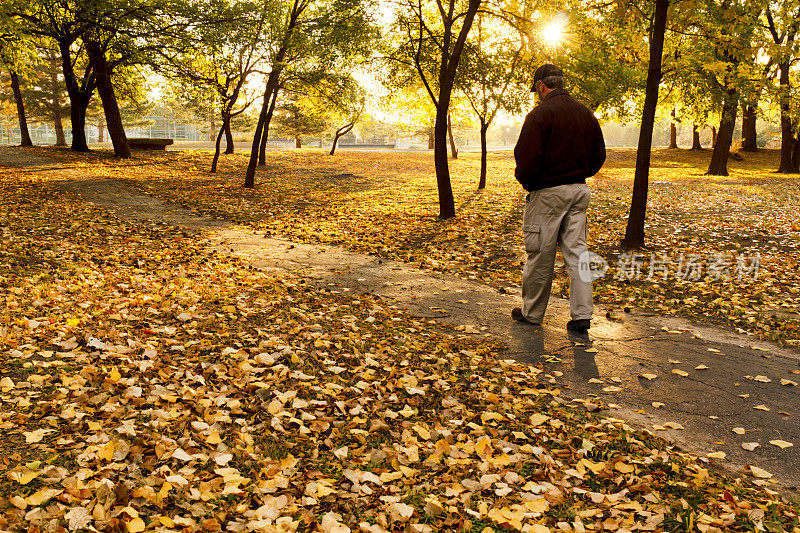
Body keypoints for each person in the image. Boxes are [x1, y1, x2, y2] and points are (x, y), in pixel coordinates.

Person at [512, 64, 606, 333]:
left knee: (540, 254)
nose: (537, 93)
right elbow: (599, 154)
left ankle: (532, 313)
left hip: (548, 194)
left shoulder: (540, 115)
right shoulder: (585, 114)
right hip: (578, 191)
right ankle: (581, 317)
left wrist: (531, 184)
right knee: (577, 255)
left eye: (536, 89)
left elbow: (526, 158)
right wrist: (580, 174)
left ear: (541, 86)